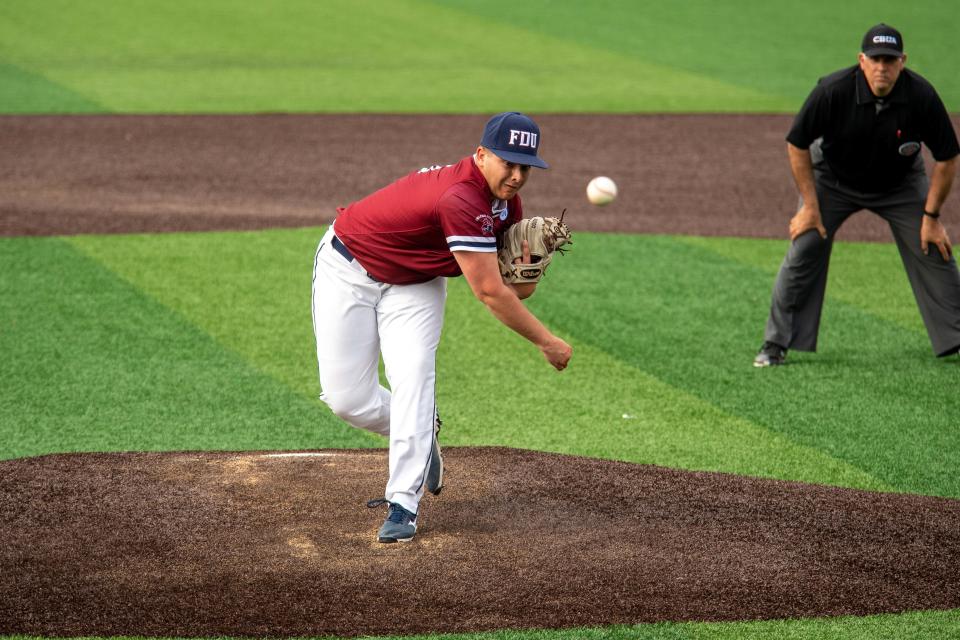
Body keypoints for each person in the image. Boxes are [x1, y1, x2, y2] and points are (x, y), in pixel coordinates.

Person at [311, 112, 573, 542]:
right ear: (481, 155)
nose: (516, 175)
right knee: (347, 400)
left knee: (413, 376)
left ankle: (403, 504)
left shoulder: (506, 203)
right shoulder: (460, 197)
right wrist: (547, 342)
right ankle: (420, 427)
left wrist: (529, 273)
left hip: (414, 285)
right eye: (507, 163)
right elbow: (490, 293)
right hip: (349, 269)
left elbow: (512, 291)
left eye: (525, 166)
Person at [754, 23, 960, 367]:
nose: (883, 67)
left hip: (900, 184)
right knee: (805, 244)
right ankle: (775, 343)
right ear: (861, 60)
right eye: (876, 59)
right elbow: (797, 142)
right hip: (833, 179)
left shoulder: (921, 95)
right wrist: (809, 205)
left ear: (903, 61)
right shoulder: (833, 90)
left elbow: (948, 156)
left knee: (934, 248)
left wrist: (932, 217)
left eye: (890, 60)